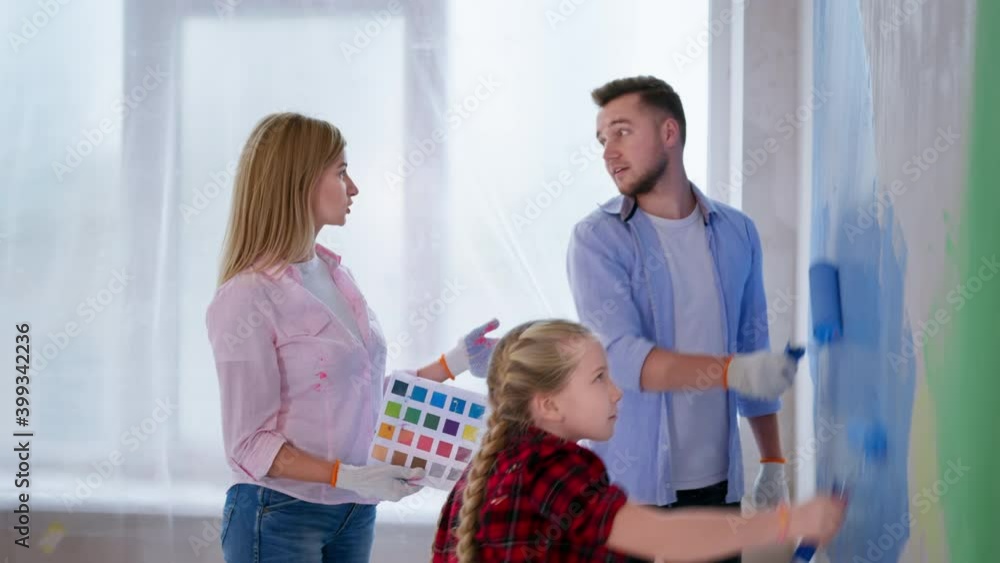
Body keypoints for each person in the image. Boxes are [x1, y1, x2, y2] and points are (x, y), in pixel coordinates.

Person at [206, 112, 498, 562]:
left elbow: (363, 395)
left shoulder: (335, 276)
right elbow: (248, 444)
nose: (354, 187)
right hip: (280, 513)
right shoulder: (246, 298)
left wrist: (455, 361)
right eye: (341, 172)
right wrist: (347, 475)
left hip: (353, 512)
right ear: (298, 181)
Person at [567, 76, 797, 563]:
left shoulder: (737, 232)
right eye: (602, 139)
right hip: (630, 492)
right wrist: (731, 370)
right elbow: (622, 357)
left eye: (622, 131)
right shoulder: (598, 240)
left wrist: (773, 460)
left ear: (669, 133)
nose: (608, 152)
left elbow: (753, 344)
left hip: (717, 491)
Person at [432, 320, 845, 562]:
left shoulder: (489, 469)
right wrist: (791, 522)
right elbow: (665, 537)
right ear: (549, 405)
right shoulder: (555, 470)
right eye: (599, 378)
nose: (617, 391)